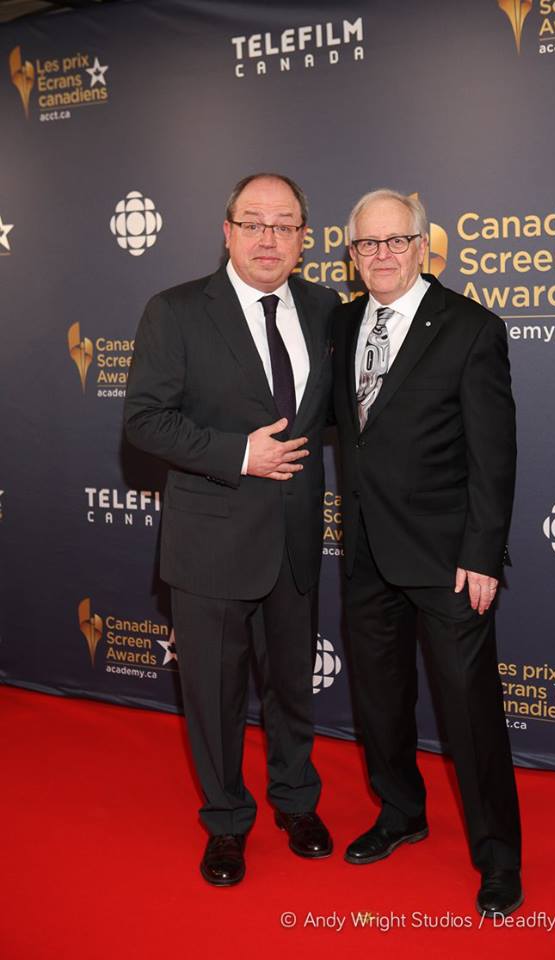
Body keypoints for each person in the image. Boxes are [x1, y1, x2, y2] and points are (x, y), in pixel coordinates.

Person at [124, 173, 340, 886]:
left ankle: (296, 802)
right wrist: (239, 455)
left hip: (297, 539)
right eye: (253, 223)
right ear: (227, 232)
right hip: (211, 541)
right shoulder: (177, 310)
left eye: (284, 225)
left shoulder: (326, 309)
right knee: (214, 698)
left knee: (292, 688)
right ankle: (225, 820)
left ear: (304, 239)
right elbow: (145, 421)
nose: (268, 238)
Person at [332, 188, 522, 917]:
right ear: (352, 254)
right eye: (366, 244)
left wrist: (483, 554)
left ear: (421, 247)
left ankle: (498, 857)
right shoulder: (343, 323)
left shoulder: (471, 329)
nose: (380, 255)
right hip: (366, 552)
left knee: (469, 715)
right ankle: (401, 813)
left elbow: (493, 457)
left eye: (395, 241)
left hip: (449, 561)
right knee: (380, 702)